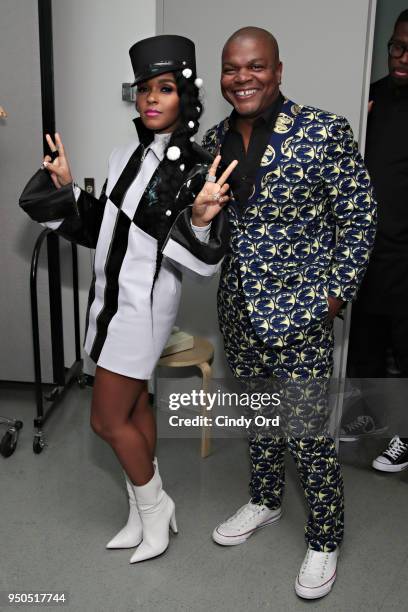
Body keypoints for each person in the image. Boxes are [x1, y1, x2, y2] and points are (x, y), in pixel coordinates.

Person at [19, 34, 237, 564]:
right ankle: (141, 514)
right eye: (144, 89)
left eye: (165, 88)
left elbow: (198, 257)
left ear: (186, 94)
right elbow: (105, 230)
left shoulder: (195, 166)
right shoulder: (125, 155)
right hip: (108, 300)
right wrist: (70, 190)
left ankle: (156, 506)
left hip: (143, 308)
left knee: (104, 420)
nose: (152, 99)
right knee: (136, 404)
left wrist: (202, 220)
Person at [201, 26, 376, 599]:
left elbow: (360, 214)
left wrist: (334, 292)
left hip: (302, 310)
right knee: (258, 415)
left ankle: (324, 537)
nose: (242, 78)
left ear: (278, 70)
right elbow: (204, 225)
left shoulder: (322, 130)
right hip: (238, 307)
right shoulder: (213, 139)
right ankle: (266, 501)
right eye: (232, 68)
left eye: (255, 67)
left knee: (305, 433)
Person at [340, 10, 408, 472]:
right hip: (366, 249)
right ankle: (367, 419)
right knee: (363, 342)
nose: (401, 57)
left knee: (404, 350)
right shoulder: (370, 98)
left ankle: (405, 435)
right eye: (396, 47)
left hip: (406, 254)